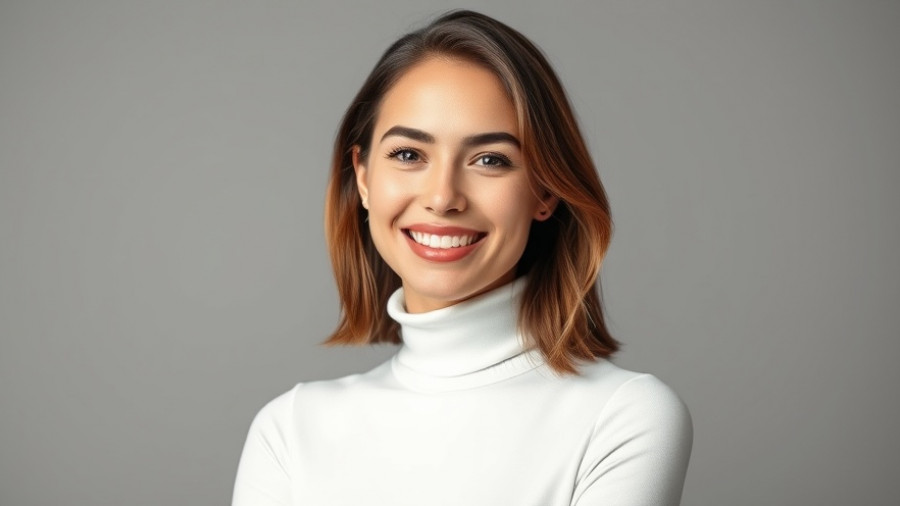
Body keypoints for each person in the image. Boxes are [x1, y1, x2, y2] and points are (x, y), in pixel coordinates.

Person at [233, 10, 692, 506]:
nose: (443, 196)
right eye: (409, 154)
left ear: (545, 191)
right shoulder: (291, 429)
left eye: (489, 160)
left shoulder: (623, 416)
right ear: (364, 177)